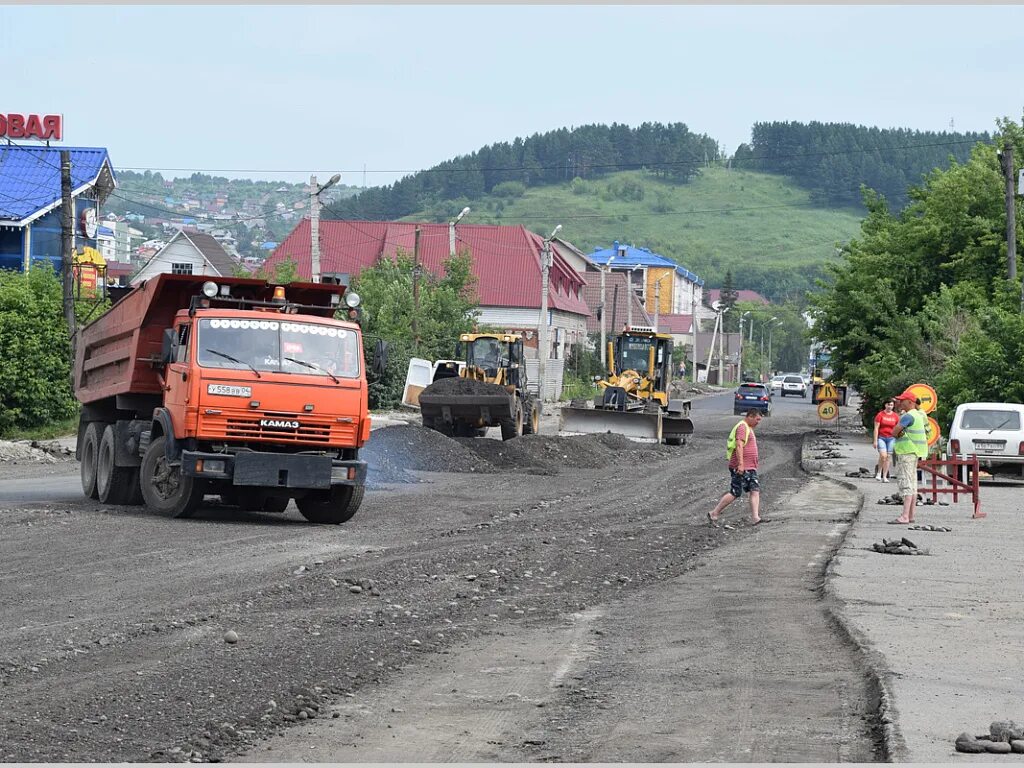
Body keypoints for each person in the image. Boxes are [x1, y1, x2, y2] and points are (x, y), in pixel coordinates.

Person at [708, 409, 766, 526]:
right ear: (750, 416)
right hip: (741, 467)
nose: (758, 422)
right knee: (735, 492)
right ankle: (714, 513)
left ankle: (755, 517)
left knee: (754, 490)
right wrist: (741, 464)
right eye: (757, 419)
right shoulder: (742, 427)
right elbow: (739, 446)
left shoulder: (748, 428)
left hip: (750, 467)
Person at [889, 390, 929, 525]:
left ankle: (905, 516)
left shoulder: (908, 416)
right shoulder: (918, 415)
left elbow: (894, 432)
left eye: (902, 400)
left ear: (910, 402)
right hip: (916, 452)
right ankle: (910, 515)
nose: (899, 403)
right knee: (912, 484)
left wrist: (899, 434)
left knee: (906, 484)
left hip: (907, 452)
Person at [872, 399, 899, 482]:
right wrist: (875, 440)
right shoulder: (880, 415)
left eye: (891, 405)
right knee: (883, 456)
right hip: (881, 437)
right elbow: (876, 428)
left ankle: (885, 476)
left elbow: (898, 428)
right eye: (888, 405)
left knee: (888, 457)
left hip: (891, 438)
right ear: (885, 405)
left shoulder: (895, 416)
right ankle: (879, 472)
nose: (890, 406)